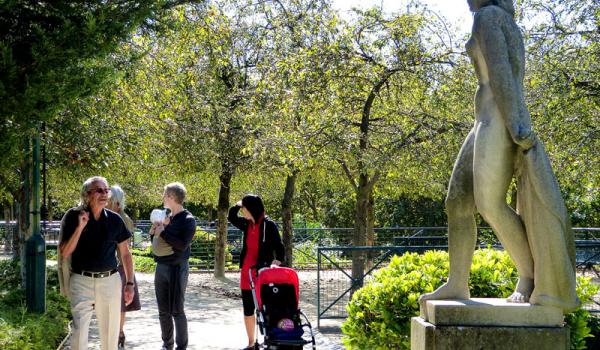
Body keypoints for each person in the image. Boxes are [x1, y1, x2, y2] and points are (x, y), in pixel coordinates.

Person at [419, 0, 579, 313]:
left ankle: (529, 277)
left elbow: (503, 71)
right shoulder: (498, 19)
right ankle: (457, 281)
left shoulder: (489, 17)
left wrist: (515, 122)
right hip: (484, 119)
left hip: (497, 117)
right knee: (457, 202)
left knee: (489, 204)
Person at [59, 176, 135, 350]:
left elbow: (126, 254)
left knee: (110, 336)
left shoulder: (116, 220)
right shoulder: (73, 216)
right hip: (81, 280)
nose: (104, 194)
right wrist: (80, 227)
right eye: (99, 190)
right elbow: (65, 252)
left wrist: (130, 283)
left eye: (106, 190)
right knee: (79, 335)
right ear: (87, 194)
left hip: (109, 281)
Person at [228, 194, 285, 350]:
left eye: (244, 208)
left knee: (266, 308)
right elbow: (231, 216)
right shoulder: (247, 224)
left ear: (251, 209)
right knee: (248, 309)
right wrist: (238, 204)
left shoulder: (269, 225)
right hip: (246, 274)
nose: (243, 211)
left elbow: (279, 246)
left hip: (263, 274)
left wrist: (278, 260)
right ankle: (251, 343)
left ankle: (271, 341)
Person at [150, 182, 196, 350]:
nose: (163, 198)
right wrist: (154, 233)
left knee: (177, 310)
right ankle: (166, 345)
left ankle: (181, 347)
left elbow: (181, 245)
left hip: (177, 268)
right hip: (161, 267)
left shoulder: (188, 220)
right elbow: (159, 242)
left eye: (165, 194)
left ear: (171, 197)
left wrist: (163, 232)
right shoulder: (167, 217)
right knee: (163, 311)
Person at [107, 185, 142, 349]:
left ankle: (119, 333)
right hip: (111, 267)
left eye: (110, 201)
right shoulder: (109, 216)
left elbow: (125, 250)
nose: (106, 203)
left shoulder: (122, 219)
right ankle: (115, 334)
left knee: (120, 305)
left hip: (121, 267)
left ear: (117, 203)